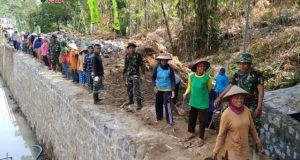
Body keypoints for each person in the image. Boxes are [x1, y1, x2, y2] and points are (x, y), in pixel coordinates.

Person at [214, 53, 264, 131]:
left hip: (252, 104)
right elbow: (230, 86)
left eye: (244, 64)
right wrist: (220, 97)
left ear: (249, 64)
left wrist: (259, 106)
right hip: (239, 102)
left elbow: (261, 91)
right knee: (238, 123)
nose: (242, 66)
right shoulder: (237, 74)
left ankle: (255, 142)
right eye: (240, 64)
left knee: (253, 124)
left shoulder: (257, 74)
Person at [212, 85, 263, 160]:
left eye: (241, 98)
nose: (239, 100)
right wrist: (215, 152)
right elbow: (221, 135)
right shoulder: (226, 114)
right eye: (237, 98)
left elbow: (252, 129)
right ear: (231, 99)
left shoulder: (246, 111)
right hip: (231, 152)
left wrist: (258, 142)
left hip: (244, 151)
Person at [182, 59, 212, 147]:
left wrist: (203, 95)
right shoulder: (191, 76)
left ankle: (201, 138)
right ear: (196, 68)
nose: (202, 68)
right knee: (192, 118)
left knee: (202, 121)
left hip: (203, 102)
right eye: (200, 66)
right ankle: (191, 133)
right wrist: (186, 93)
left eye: (203, 66)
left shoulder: (207, 78)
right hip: (193, 101)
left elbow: (209, 89)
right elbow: (189, 87)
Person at [152, 54, 176, 126]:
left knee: (167, 104)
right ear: (160, 61)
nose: (164, 61)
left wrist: (173, 89)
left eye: (165, 60)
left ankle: (170, 121)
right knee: (158, 103)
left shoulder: (170, 69)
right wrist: (154, 86)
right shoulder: (157, 67)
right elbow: (153, 78)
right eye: (162, 60)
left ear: (167, 61)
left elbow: (172, 80)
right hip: (158, 88)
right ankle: (159, 117)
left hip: (167, 89)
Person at [123, 43, 147, 111]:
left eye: (133, 47)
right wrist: (124, 74)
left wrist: (143, 74)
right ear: (128, 49)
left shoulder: (138, 55)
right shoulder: (127, 56)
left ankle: (139, 104)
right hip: (128, 75)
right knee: (128, 88)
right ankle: (131, 100)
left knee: (137, 89)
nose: (131, 49)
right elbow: (125, 66)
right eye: (130, 48)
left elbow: (141, 65)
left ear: (135, 48)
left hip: (136, 75)